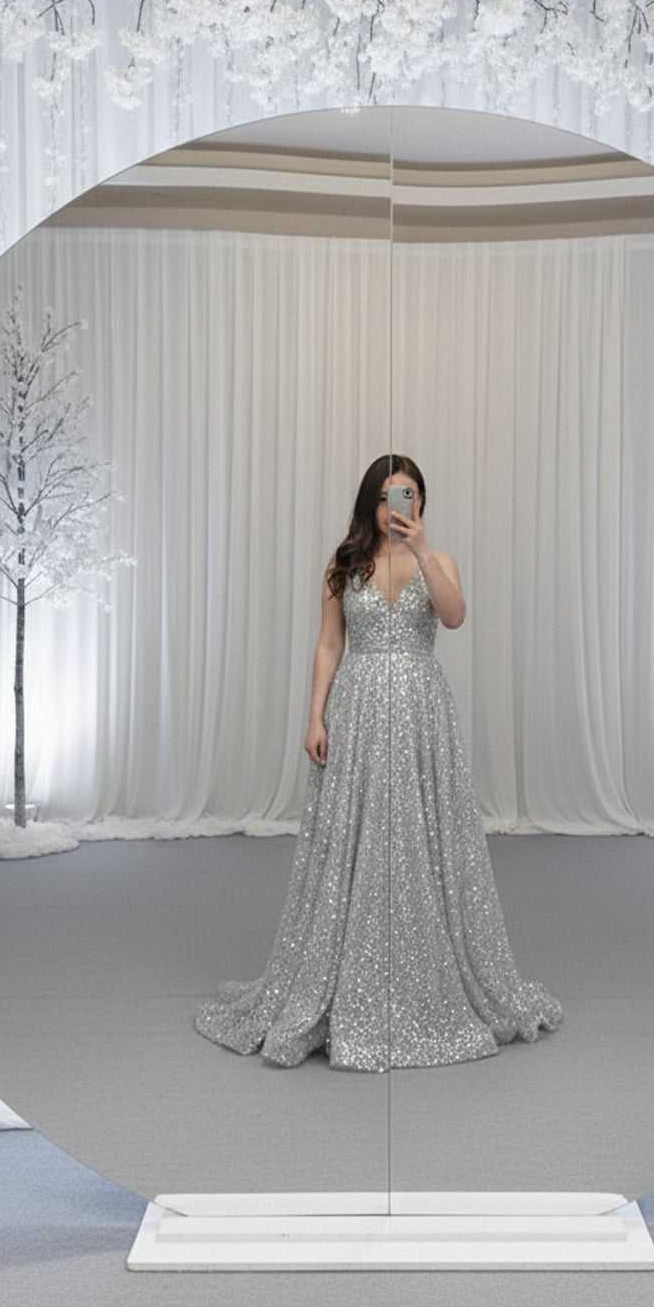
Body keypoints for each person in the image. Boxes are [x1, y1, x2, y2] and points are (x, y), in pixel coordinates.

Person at [194, 453, 562, 1071]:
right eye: (392, 495)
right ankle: (342, 979)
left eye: (411, 495)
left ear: (421, 504)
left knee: (424, 841)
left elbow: (454, 616)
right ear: (372, 501)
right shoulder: (345, 565)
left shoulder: (439, 562)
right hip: (358, 713)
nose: (402, 506)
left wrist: (421, 553)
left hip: (421, 716)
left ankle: (426, 973)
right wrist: (314, 716)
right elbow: (329, 643)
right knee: (353, 844)